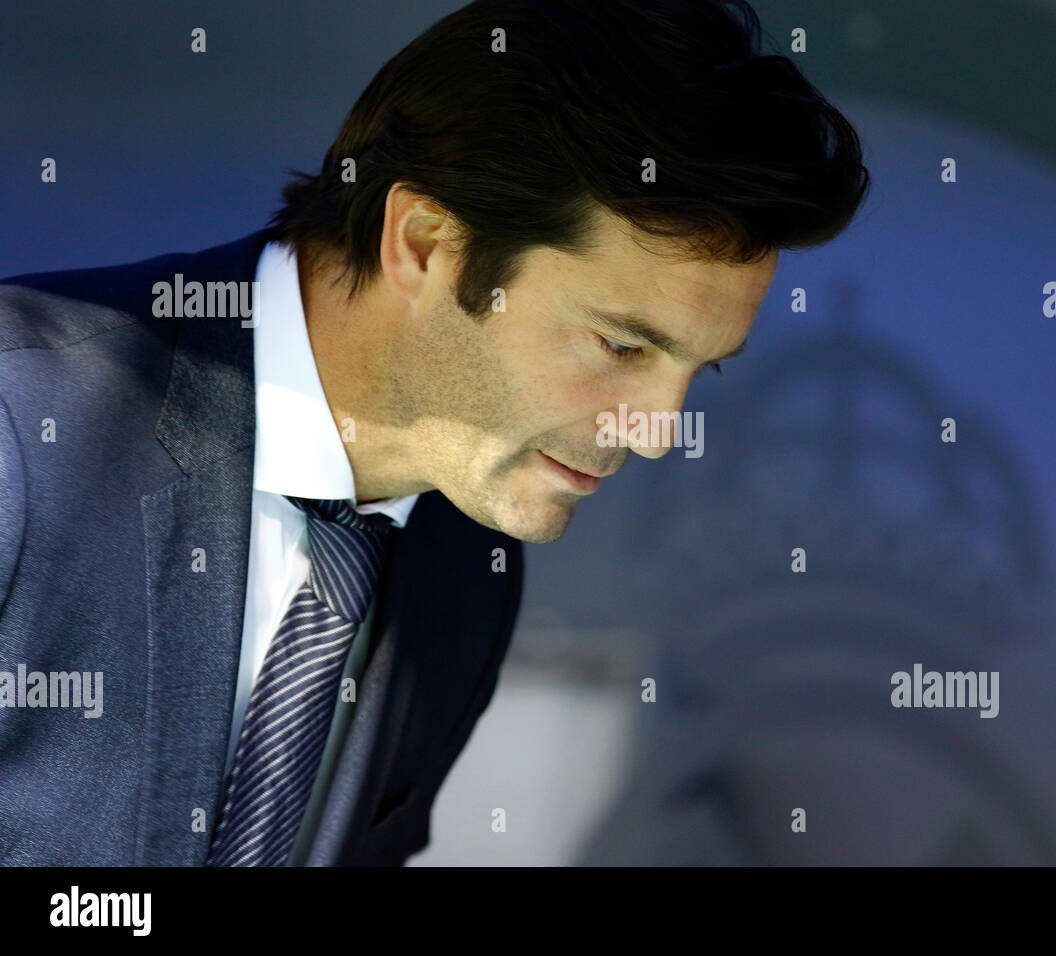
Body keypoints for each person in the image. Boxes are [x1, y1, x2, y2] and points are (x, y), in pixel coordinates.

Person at [0, 0, 868, 865]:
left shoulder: (469, 570)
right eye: (622, 344)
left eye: (700, 368)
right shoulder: (19, 424)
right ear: (422, 241)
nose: (655, 433)